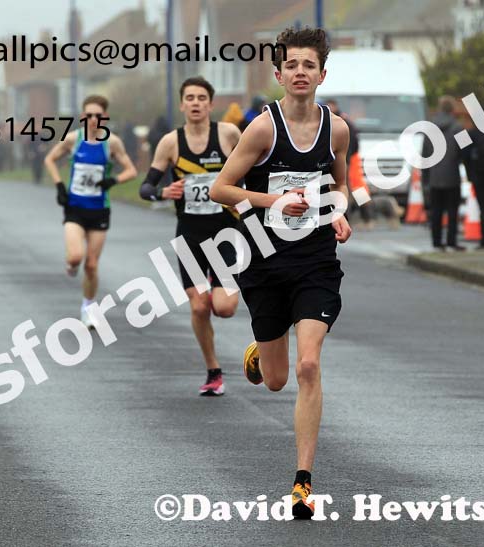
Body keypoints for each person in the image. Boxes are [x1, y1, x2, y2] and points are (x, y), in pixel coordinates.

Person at [210, 26, 352, 519]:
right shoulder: (263, 129)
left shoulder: (336, 129)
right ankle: (259, 351)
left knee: (308, 365)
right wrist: (277, 202)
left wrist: (337, 211)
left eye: (308, 65)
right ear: (278, 74)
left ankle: (303, 483)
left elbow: (342, 185)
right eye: (291, 64)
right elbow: (221, 190)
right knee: (274, 381)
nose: (299, 72)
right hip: (264, 261)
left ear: (322, 74)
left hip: (315, 260)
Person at [139, 76, 242, 397]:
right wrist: (162, 192)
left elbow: (254, 170)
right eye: (190, 98)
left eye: (201, 98)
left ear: (211, 104)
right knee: (199, 309)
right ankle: (214, 371)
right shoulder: (170, 143)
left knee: (223, 308)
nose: (196, 103)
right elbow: (146, 187)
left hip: (225, 233)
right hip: (190, 236)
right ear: (182, 104)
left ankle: (220, 286)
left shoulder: (228, 135)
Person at [44, 95, 138, 327]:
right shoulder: (73, 140)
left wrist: (113, 181)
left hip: (99, 210)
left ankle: (87, 306)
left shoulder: (112, 143)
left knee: (92, 264)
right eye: (88, 115)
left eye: (98, 116)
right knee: (76, 257)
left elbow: (131, 170)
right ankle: (71, 263)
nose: (93, 120)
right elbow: (50, 159)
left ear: (104, 117)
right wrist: (59, 186)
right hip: (75, 207)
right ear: (82, 116)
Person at [422, 96, 466, 251]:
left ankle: (436, 241)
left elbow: (425, 155)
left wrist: (425, 180)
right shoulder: (459, 128)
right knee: (452, 210)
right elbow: (466, 152)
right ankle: (451, 241)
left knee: (436, 211)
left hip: (434, 177)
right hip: (452, 175)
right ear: (452, 110)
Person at [326, 99, 373, 228]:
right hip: (345, 160)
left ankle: (366, 217)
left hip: (349, 161)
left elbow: (354, 141)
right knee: (349, 190)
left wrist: (348, 157)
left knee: (357, 190)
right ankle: (351, 217)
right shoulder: (332, 120)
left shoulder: (342, 122)